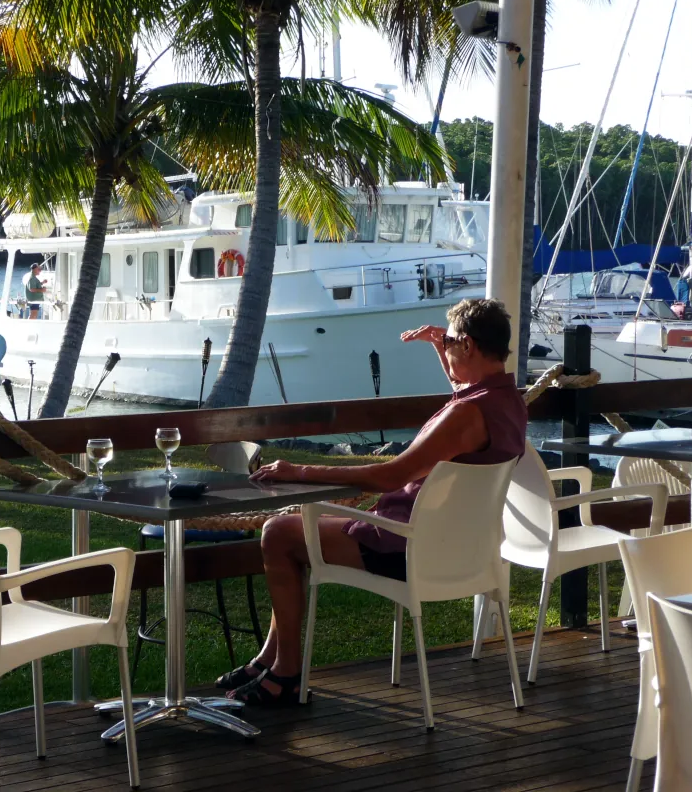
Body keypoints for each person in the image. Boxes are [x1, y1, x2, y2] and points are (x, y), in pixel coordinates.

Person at [216, 298, 528, 705]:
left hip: (404, 548)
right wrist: (443, 349)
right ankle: (269, 661)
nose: (445, 347)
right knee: (294, 528)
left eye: (450, 342)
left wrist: (300, 471)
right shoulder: (510, 404)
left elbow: (388, 476)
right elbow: (465, 397)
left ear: (468, 345)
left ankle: (287, 672)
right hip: (462, 551)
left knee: (278, 533)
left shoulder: (467, 414)